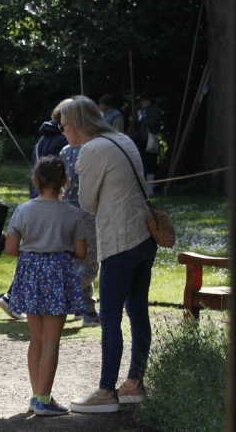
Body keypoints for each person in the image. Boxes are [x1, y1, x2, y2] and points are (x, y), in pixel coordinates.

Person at [61, 95, 157, 414]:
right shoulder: (123, 139)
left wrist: (81, 170)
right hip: (145, 237)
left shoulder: (91, 149)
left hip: (119, 243)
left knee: (110, 319)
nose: (63, 132)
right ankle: (133, 384)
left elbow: (87, 203)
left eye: (64, 126)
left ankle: (105, 394)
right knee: (138, 312)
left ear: (76, 125)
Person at [3, 157, 91, 417]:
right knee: (52, 342)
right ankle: (44, 399)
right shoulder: (71, 212)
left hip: (30, 276)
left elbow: (10, 248)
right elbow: (82, 252)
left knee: (37, 340)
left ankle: (36, 396)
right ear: (65, 182)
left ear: (36, 181)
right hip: (58, 276)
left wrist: (33, 255)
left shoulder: (23, 209)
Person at [0, 106, 69, 321]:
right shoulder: (62, 142)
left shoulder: (42, 141)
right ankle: (12, 296)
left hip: (36, 200)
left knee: (34, 255)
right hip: (52, 203)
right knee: (43, 256)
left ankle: (12, 297)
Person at [57, 109, 101, 327]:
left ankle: (88, 310)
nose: (62, 131)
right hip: (87, 213)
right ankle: (66, 296)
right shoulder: (92, 150)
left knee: (76, 262)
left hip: (67, 211)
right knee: (90, 265)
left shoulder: (65, 152)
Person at [129, 94, 162, 191]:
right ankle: (142, 188)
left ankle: (150, 188)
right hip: (140, 140)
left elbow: (151, 123)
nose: (141, 102)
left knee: (150, 164)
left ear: (148, 100)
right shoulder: (140, 111)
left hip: (150, 140)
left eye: (143, 100)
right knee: (141, 164)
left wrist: (141, 117)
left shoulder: (155, 111)